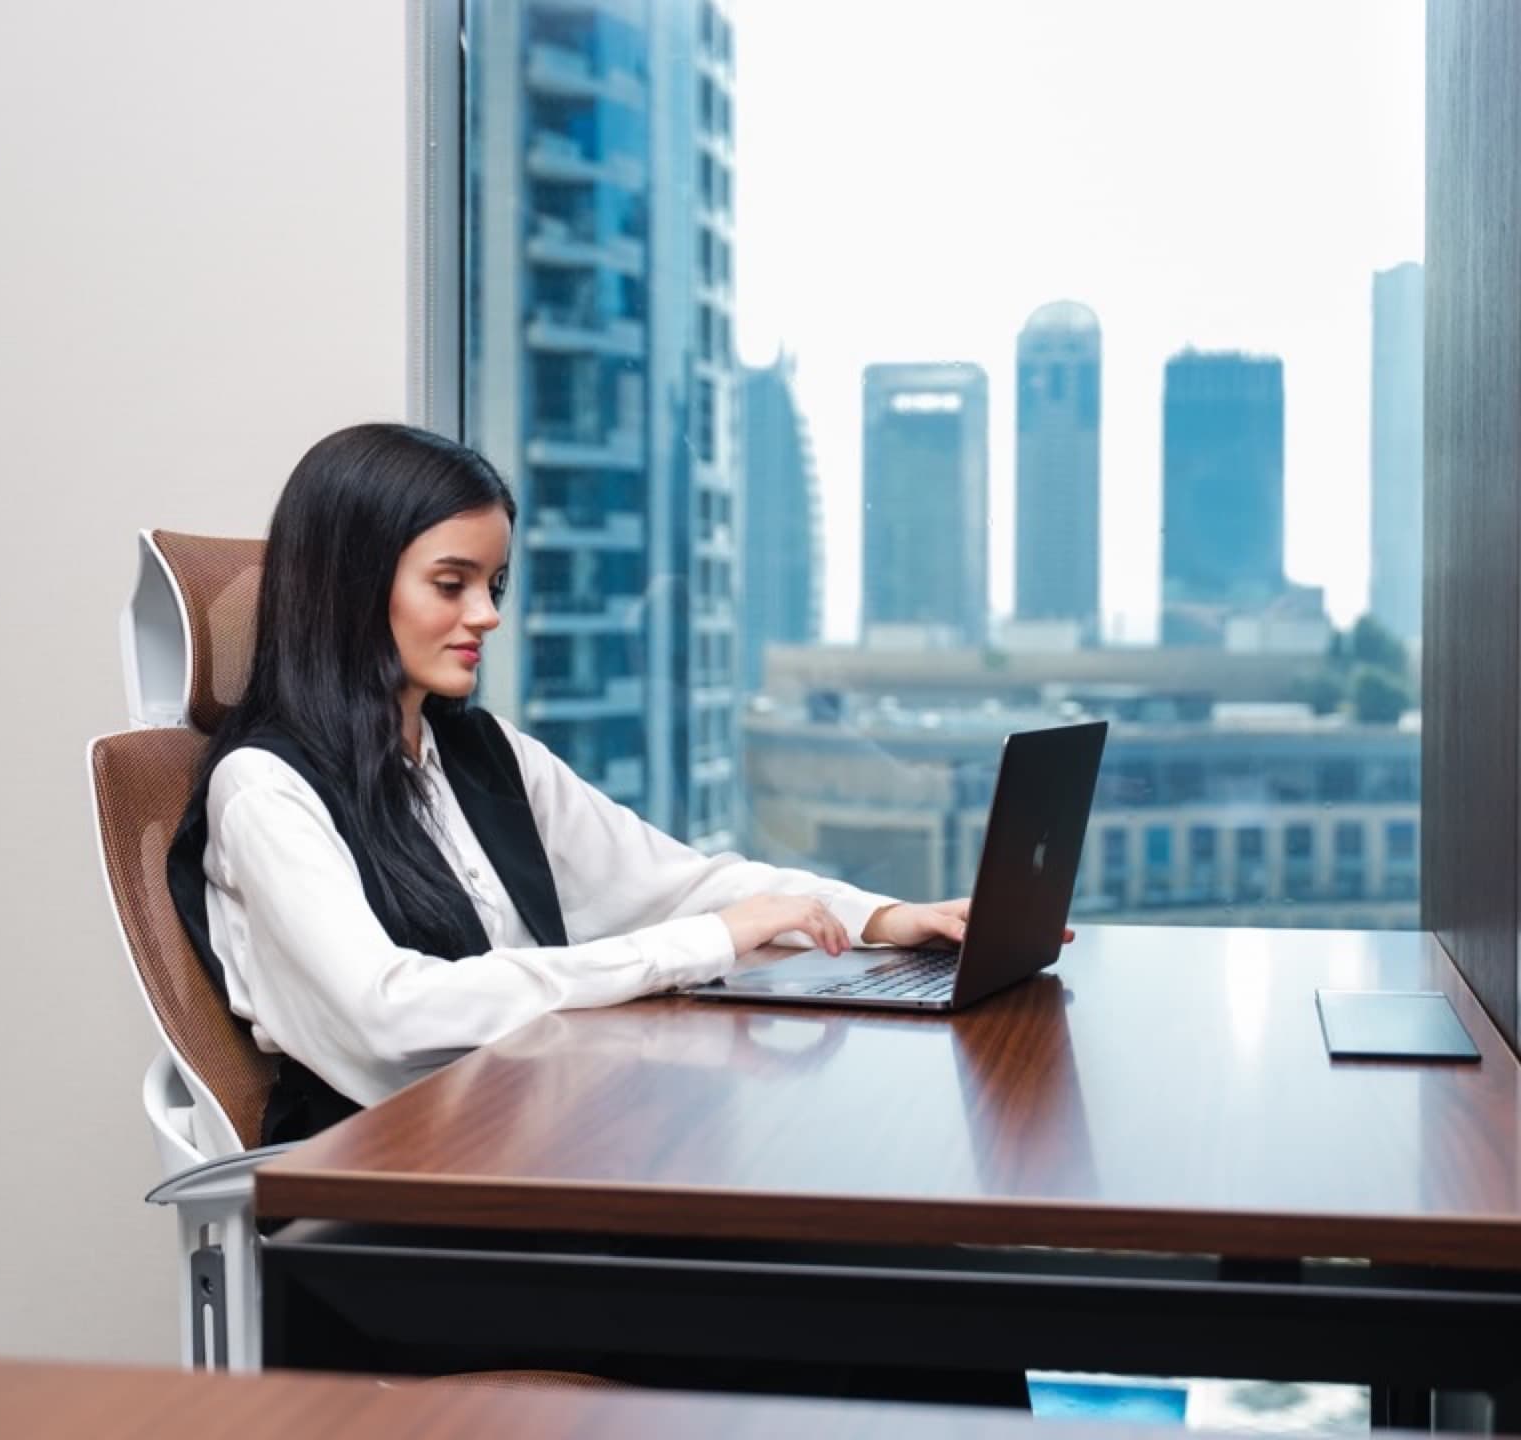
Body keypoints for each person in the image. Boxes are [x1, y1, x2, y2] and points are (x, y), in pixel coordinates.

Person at [166, 422, 982, 1148]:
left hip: (533, 1125)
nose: (486, 614)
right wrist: (703, 943)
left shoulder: (481, 752)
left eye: (494, 585)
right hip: (395, 1173)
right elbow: (390, 1014)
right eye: (452, 584)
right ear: (350, 587)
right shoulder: (264, 790)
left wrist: (879, 917)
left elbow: (681, 885)